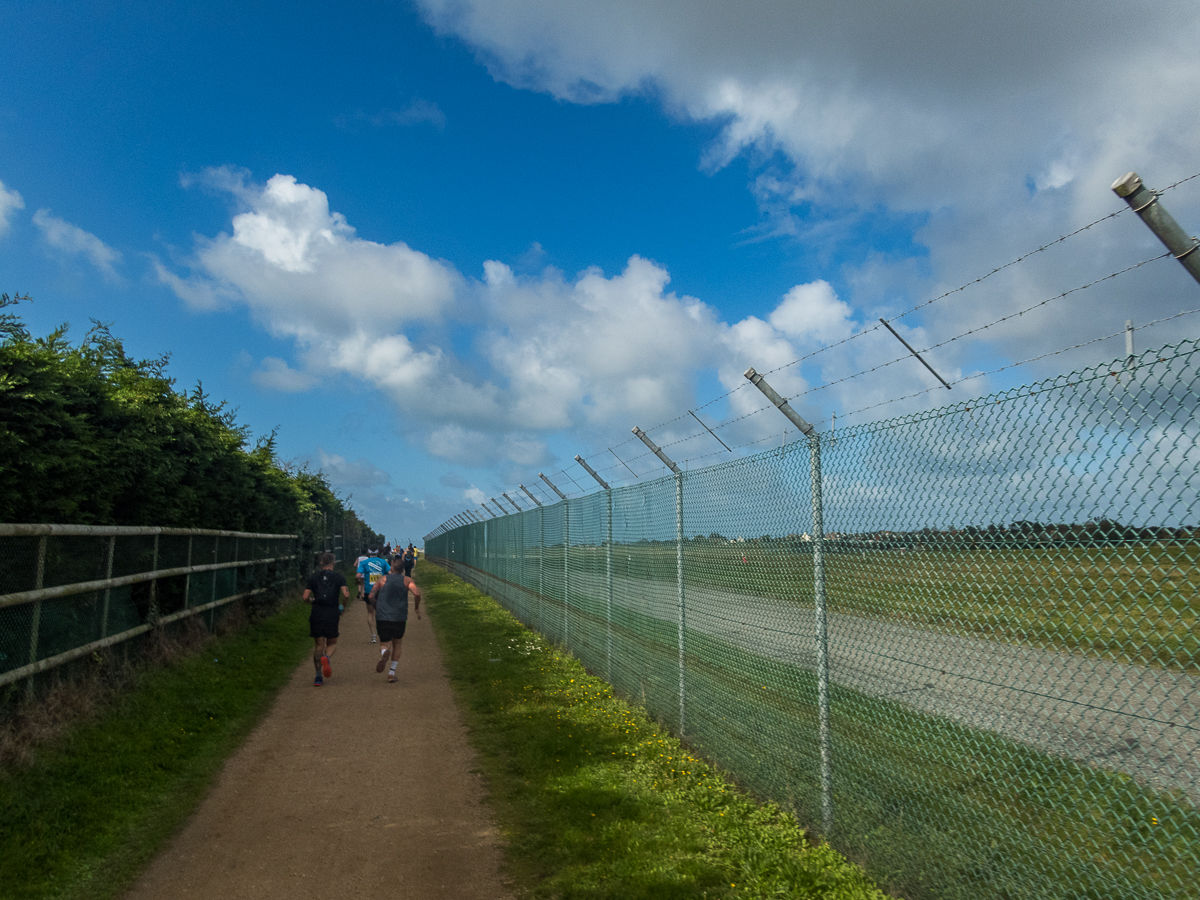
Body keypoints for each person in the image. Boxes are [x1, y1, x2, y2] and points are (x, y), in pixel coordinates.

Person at [368, 560, 423, 683]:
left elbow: (371, 596)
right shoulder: (407, 580)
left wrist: (377, 607)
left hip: (383, 617)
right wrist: (416, 608)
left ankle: (384, 652)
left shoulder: (381, 580)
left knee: (384, 642)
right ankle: (391, 673)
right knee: (397, 643)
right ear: (403, 569)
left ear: (391, 568)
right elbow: (417, 594)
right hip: (399, 617)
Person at [302, 552, 349, 687]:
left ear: (321, 563)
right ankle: (326, 658)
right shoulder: (339, 577)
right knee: (332, 643)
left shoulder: (313, 577)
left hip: (317, 612)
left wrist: (311, 600)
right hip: (332, 612)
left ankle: (318, 677)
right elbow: (346, 595)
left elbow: (305, 597)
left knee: (318, 645)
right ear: (333, 563)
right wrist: (342, 608)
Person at [356, 548, 389, 642]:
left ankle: (373, 635)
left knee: (370, 613)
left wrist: (358, 581)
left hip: (369, 591)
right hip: (381, 590)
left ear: (368, 552)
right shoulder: (383, 562)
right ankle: (383, 632)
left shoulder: (364, 562)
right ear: (378, 552)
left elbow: (358, 575)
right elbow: (390, 572)